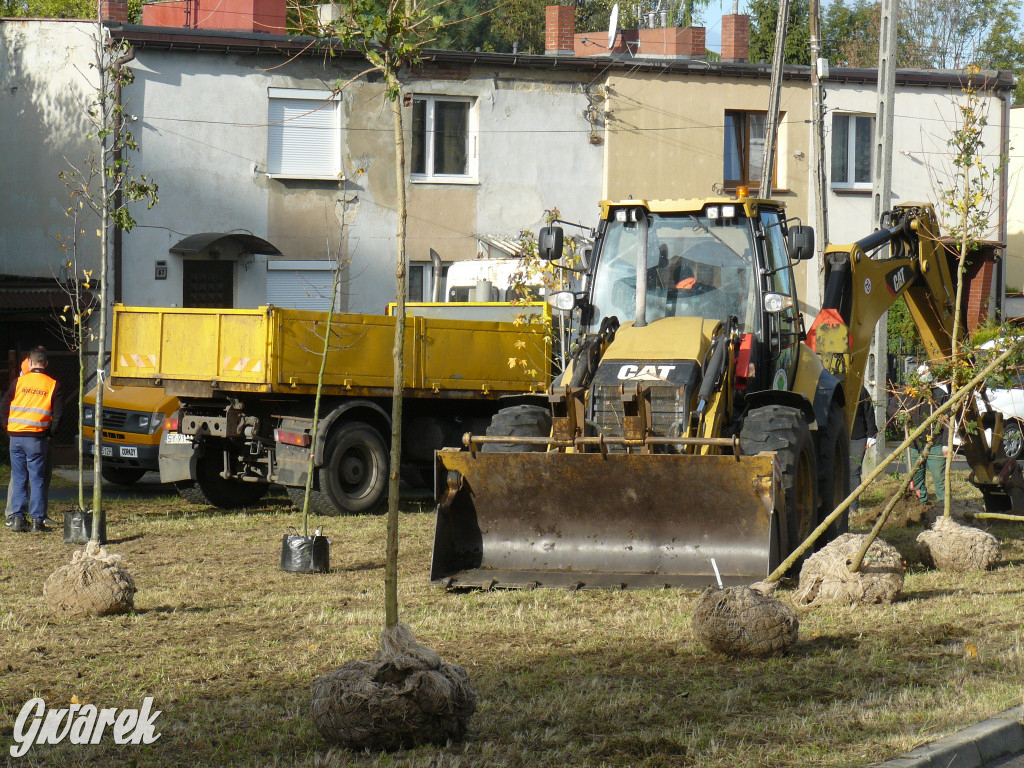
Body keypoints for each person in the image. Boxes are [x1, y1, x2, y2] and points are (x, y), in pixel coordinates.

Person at [2, 347, 62, 533]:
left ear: (29, 363)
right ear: (45, 364)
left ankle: (18, 519)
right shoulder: (52, 385)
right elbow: (58, 415)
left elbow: (4, 404)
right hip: (37, 438)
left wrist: (8, 427)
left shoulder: (18, 382)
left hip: (16, 437)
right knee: (37, 479)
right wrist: (50, 433)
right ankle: (37, 520)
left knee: (19, 478)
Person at [905, 364, 950, 508]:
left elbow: (948, 421)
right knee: (916, 478)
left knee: (940, 479)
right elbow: (893, 406)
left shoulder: (940, 395)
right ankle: (921, 507)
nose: (924, 387)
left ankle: (943, 508)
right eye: (922, 384)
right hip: (915, 445)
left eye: (927, 384)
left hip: (935, 445)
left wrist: (945, 445)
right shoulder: (910, 395)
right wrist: (902, 415)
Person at [849, 386, 878, 512]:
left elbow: (868, 411)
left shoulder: (859, 390)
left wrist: (871, 434)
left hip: (857, 436)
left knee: (854, 470)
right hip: (839, 435)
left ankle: (853, 506)